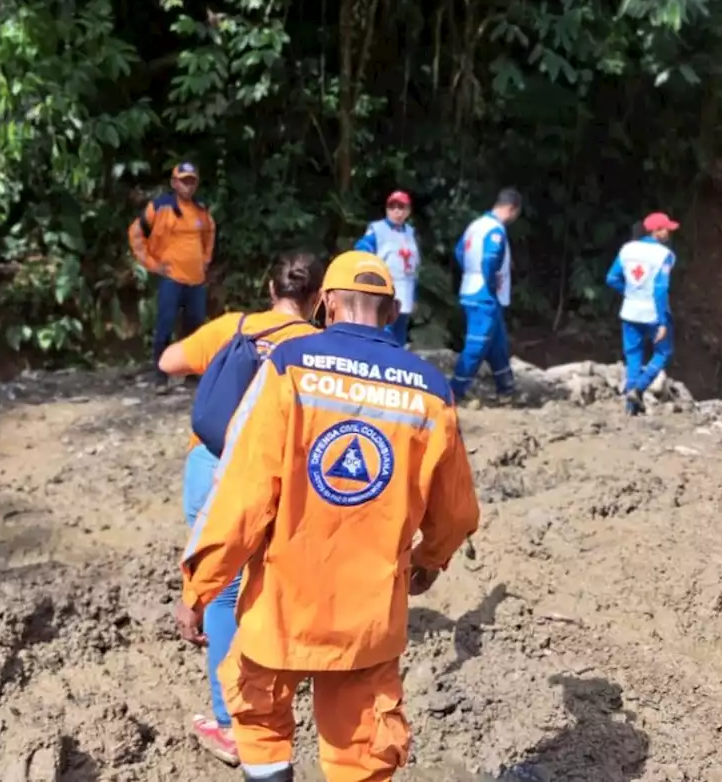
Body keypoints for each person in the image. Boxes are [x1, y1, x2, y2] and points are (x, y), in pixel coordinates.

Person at [174, 251, 481, 782]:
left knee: (264, 731)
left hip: (280, 611)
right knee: (362, 754)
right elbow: (456, 512)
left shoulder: (287, 368)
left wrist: (199, 588)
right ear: (392, 312)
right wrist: (428, 561)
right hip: (366, 622)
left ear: (327, 304)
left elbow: (239, 497)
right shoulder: (431, 391)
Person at [157, 252, 326, 767]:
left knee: (225, 595)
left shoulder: (237, 327)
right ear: (320, 298)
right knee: (280, 587)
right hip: (285, 482)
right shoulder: (322, 349)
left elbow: (168, 362)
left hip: (210, 471)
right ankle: (286, 710)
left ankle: (230, 724)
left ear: (268, 286)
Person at [128, 162, 217, 387]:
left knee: (195, 327)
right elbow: (136, 233)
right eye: (183, 180)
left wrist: (205, 260)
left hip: (196, 280)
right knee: (165, 325)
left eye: (192, 181)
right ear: (174, 183)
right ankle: (160, 374)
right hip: (171, 278)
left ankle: (192, 373)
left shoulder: (201, 208)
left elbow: (209, 234)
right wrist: (151, 264)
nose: (188, 185)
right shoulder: (160, 207)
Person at [450, 188, 522, 402]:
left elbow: (459, 251)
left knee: (497, 344)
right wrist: (490, 282)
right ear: (512, 209)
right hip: (485, 295)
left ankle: (506, 389)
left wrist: (470, 271)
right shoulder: (496, 230)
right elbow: (489, 260)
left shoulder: (476, 225)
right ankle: (453, 391)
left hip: (471, 288)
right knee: (477, 344)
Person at [605, 211, 678, 415]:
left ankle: (631, 408)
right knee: (663, 353)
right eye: (666, 229)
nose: (669, 233)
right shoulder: (666, 255)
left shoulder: (627, 249)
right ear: (656, 231)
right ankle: (638, 389)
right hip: (654, 313)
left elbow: (611, 278)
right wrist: (663, 321)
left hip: (629, 311)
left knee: (633, 358)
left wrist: (629, 292)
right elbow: (661, 288)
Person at [353, 190, 420, 345]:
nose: (397, 211)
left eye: (401, 207)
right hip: (386, 285)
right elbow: (362, 248)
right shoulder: (377, 229)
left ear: (408, 211)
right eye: (392, 207)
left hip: (406, 287)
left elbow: (415, 267)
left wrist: (415, 295)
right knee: (385, 325)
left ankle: (398, 360)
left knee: (400, 328)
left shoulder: (410, 232)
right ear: (387, 209)